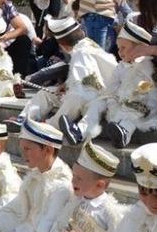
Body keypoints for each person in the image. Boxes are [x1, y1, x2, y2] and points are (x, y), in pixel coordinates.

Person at [62, 19, 157, 148]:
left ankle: (123, 134)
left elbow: (146, 89)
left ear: (138, 48)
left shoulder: (145, 65)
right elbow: (111, 88)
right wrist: (112, 102)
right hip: (118, 101)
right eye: (118, 48)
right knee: (97, 104)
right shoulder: (120, 67)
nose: (120, 52)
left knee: (131, 113)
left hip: (142, 104)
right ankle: (79, 132)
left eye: (124, 48)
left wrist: (126, 100)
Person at [20, 16, 117, 129]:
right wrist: (66, 85)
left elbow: (83, 91)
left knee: (75, 98)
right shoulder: (86, 45)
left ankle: (50, 125)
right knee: (46, 93)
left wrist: (70, 89)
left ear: (63, 46)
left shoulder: (81, 53)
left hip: (98, 99)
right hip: (95, 93)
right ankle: (24, 118)